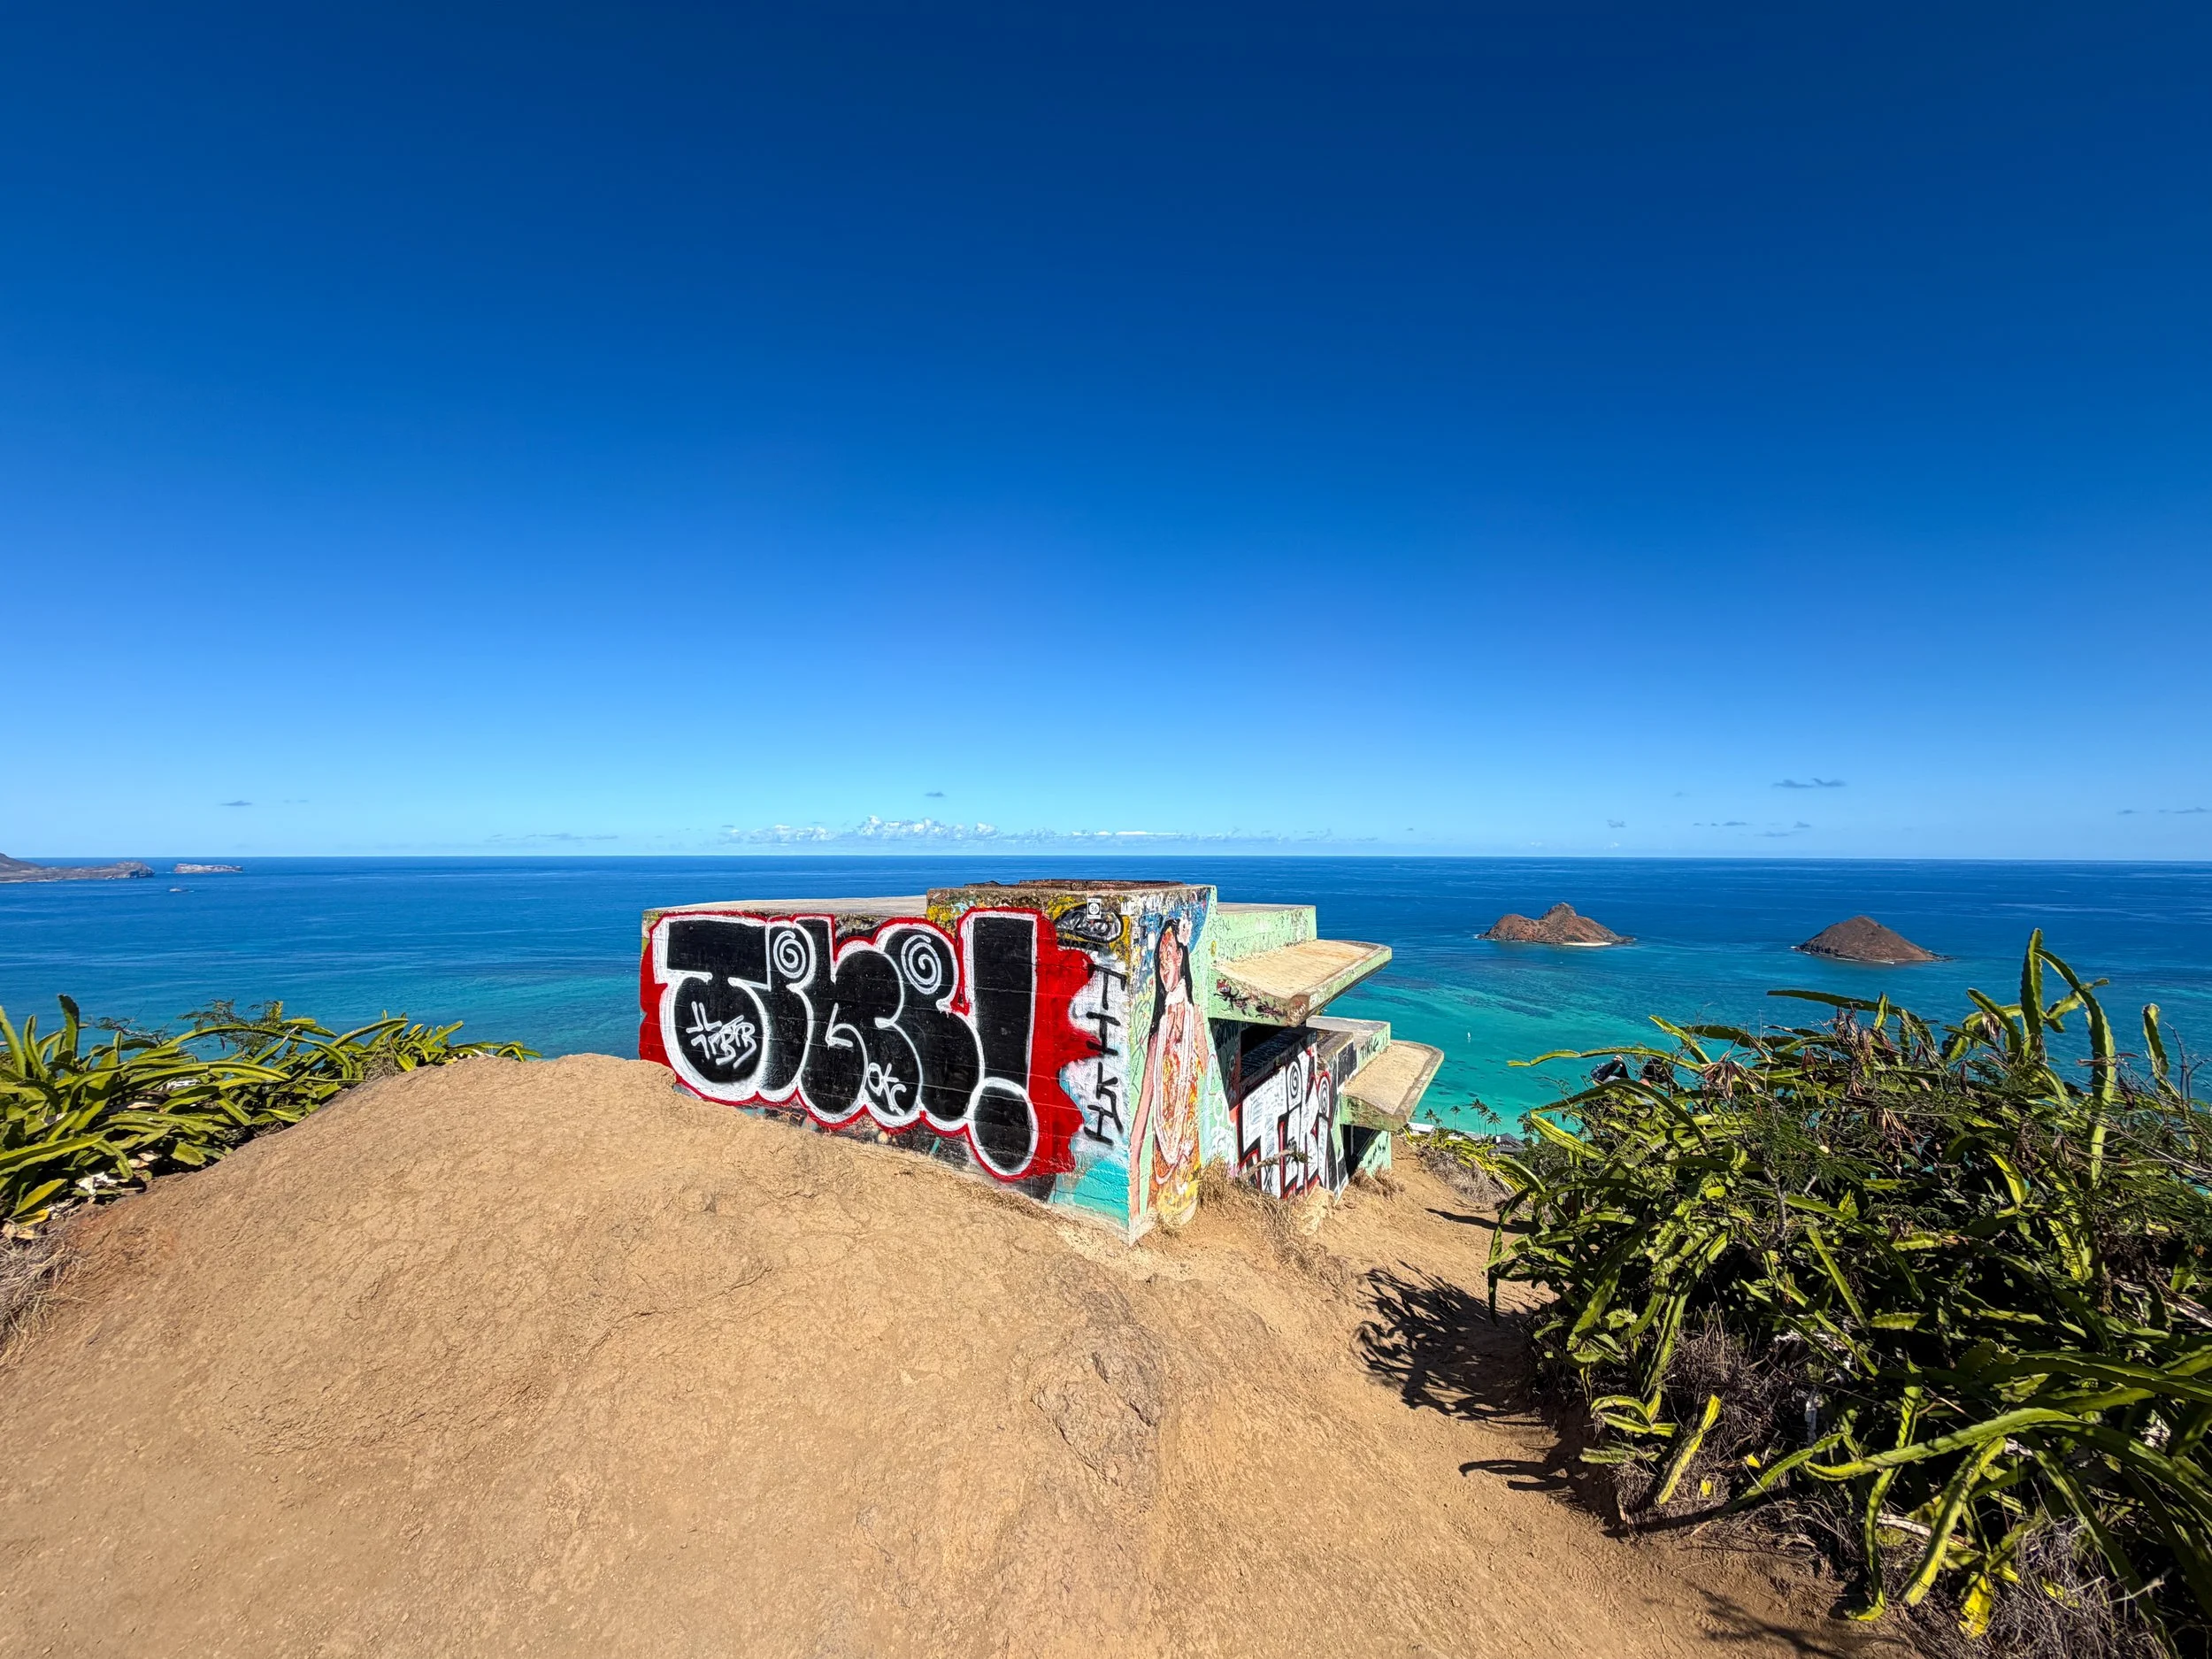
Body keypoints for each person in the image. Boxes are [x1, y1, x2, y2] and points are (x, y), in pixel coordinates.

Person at [1133, 917, 1203, 1229]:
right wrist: (1132, 1155)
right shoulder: (1156, 1031)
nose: (1165, 967)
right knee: (1160, 1208)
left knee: (1182, 1210)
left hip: (1187, 1144)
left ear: (1182, 957)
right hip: (1162, 1152)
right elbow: (1147, 1094)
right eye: (1160, 960)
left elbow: (1205, 1071)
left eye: (1171, 956)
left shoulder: (1194, 1018)